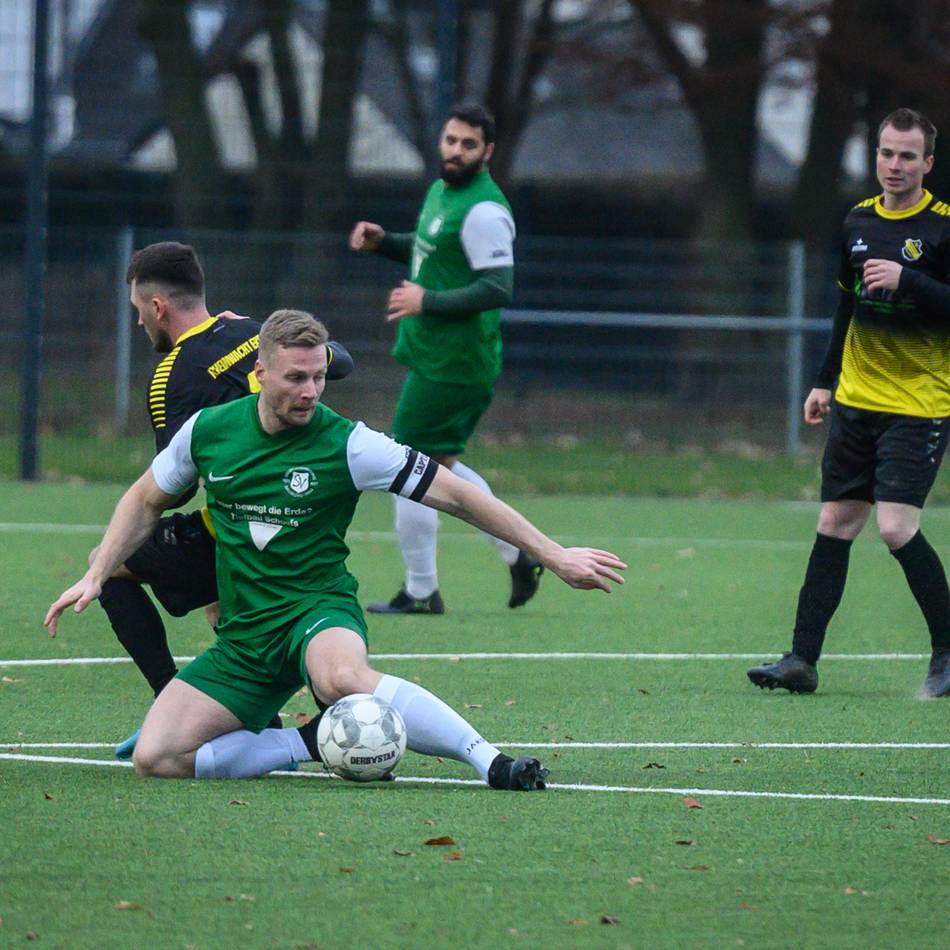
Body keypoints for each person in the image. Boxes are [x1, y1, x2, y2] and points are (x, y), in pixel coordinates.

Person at [45, 309, 626, 790]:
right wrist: (98, 572)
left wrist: (552, 554)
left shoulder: (351, 444)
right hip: (246, 636)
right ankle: (306, 740)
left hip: (317, 611)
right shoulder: (208, 431)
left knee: (341, 676)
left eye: (318, 377)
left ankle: (491, 761)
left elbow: (457, 495)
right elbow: (144, 498)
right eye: (295, 377)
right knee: (158, 758)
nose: (310, 391)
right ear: (259, 372)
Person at [101, 242, 353, 759]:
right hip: (302, 517)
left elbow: (177, 486)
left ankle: (170, 701)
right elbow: (343, 360)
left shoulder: (171, 375)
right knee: (221, 582)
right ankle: (253, 712)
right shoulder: (254, 334)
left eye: (137, 312)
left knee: (111, 571)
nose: (139, 324)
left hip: (241, 525)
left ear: (157, 308)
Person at [748, 108, 950, 699]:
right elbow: (845, 307)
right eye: (887, 153)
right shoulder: (857, 219)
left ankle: (947, 651)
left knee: (893, 527)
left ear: (927, 163)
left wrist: (908, 281)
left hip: (918, 403)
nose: (895, 165)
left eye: (907, 155)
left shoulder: (942, 227)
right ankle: (801, 660)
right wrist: (823, 380)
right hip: (857, 398)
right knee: (835, 522)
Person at [349, 103, 541, 615]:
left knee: (407, 464)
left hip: (457, 363)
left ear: (488, 152)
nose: (455, 151)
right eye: (450, 140)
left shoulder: (484, 210)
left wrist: (426, 301)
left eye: (468, 144)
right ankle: (513, 548)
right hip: (435, 355)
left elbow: (498, 286)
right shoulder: (443, 192)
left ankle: (420, 590)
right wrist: (385, 243)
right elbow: (433, 249)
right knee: (435, 465)